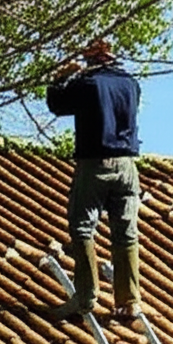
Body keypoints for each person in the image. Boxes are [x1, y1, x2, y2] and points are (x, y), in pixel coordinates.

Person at [46, 37, 142, 319]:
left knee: (82, 226)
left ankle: (86, 296)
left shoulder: (88, 83)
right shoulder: (131, 84)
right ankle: (129, 300)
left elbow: (57, 104)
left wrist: (60, 77)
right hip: (127, 166)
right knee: (125, 231)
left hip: (95, 162)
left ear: (91, 58)